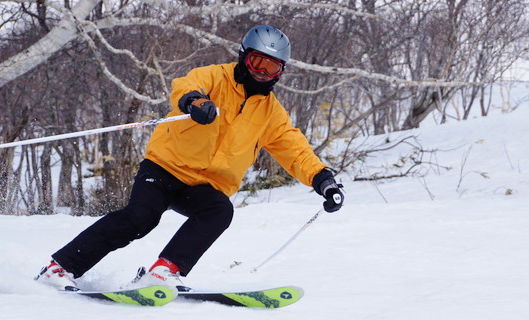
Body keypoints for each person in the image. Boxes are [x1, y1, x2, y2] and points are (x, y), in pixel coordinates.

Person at [36, 25, 344, 290]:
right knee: (141, 218)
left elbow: (295, 150)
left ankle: (164, 272)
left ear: (280, 72)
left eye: (271, 68)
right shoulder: (215, 76)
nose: (261, 72)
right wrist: (194, 102)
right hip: (165, 167)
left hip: (205, 185)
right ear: (243, 56)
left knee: (220, 210)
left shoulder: (271, 113)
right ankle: (60, 268)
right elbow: (185, 85)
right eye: (256, 62)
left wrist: (323, 180)